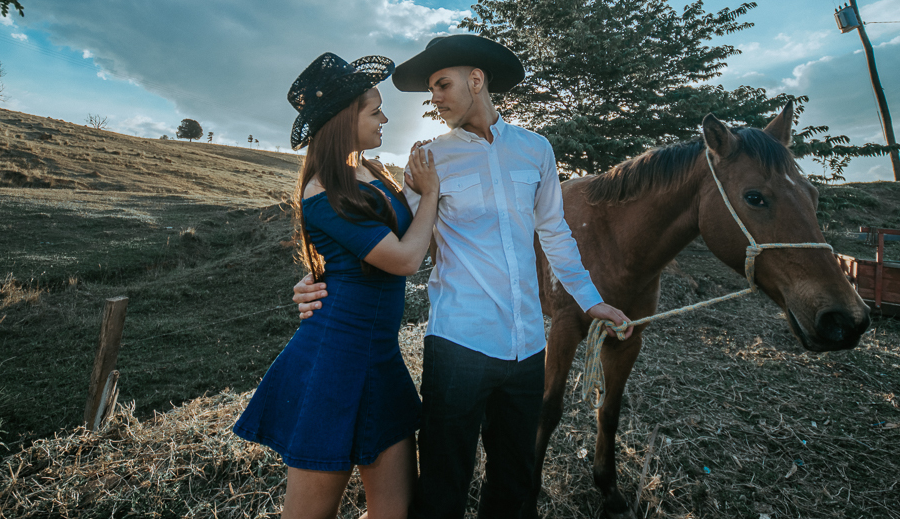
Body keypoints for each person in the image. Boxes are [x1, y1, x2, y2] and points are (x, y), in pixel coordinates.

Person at [295, 35, 632, 519]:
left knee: (514, 483)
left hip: (526, 347)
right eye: (431, 88)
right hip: (457, 345)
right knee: (442, 486)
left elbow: (555, 232)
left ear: (477, 80)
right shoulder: (429, 160)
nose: (434, 98)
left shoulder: (537, 150)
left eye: (442, 84)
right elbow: (385, 237)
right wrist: (318, 280)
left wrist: (590, 299)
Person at [233, 52, 442, 519]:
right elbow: (407, 257)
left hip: (380, 358)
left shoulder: (368, 170)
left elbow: (401, 239)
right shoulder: (324, 190)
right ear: (345, 119)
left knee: (395, 511)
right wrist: (430, 193)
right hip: (336, 360)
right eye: (375, 110)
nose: (385, 117)